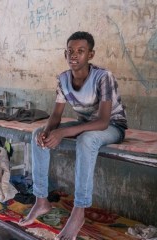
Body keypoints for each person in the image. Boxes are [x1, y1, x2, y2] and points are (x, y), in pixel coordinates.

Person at [19, 31, 127, 240]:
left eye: (80, 51)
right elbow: (57, 115)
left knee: (86, 140)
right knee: (37, 134)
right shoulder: (63, 79)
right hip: (86, 124)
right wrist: (48, 131)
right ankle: (41, 200)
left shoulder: (103, 77)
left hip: (113, 126)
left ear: (91, 55)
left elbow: (103, 121)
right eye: (70, 51)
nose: (74, 55)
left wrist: (64, 132)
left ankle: (79, 212)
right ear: (65, 54)